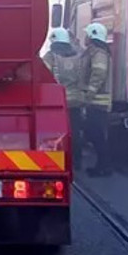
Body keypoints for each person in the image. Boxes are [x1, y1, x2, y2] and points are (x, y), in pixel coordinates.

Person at [43, 27, 85, 170]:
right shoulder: (78, 57)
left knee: (57, 133)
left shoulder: (50, 57)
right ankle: (77, 161)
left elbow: (43, 76)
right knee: (75, 132)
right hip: (76, 101)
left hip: (58, 102)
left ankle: (60, 160)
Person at [79, 22, 113, 177]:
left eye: (87, 34)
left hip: (97, 102)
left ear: (92, 35)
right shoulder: (93, 52)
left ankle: (104, 167)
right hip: (95, 102)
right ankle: (102, 166)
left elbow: (98, 74)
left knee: (97, 135)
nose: (85, 37)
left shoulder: (98, 53)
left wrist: (89, 95)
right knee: (95, 134)